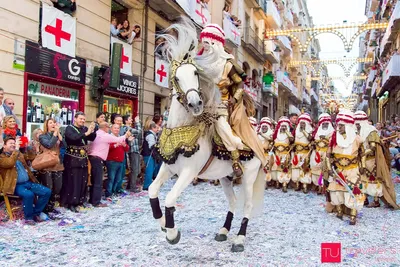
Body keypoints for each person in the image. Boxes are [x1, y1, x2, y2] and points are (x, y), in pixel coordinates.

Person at [195, 23, 267, 177]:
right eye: (203, 42)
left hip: (221, 104)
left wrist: (234, 99)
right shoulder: (198, 63)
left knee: (222, 127)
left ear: (216, 44)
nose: (205, 46)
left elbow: (239, 83)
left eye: (208, 43)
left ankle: (235, 158)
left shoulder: (227, 64)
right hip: (200, 104)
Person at [325, 110, 365, 225]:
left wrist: (362, 167)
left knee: (352, 192)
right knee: (336, 192)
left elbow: (362, 155)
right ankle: (339, 211)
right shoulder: (333, 138)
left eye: (342, 125)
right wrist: (329, 169)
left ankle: (353, 215)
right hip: (337, 171)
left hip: (352, 170)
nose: (339, 127)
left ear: (348, 126)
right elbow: (328, 156)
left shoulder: (357, 139)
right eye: (338, 125)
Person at [0, 137, 51, 225]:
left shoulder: (18, 154)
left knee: (46, 192)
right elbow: (10, 163)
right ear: (4, 146)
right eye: (10, 143)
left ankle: (36, 214)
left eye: (14, 143)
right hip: (15, 185)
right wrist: (16, 150)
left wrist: (30, 148)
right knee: (28, 194)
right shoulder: (2, 157)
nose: (13, 144)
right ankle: (29, 218)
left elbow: (31, 157)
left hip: (28, 182)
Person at [354, 111, 399, 209]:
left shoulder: (371, 131)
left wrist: (363, 153)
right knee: (361, 180)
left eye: (358, 124)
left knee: (373, 180)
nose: (356, 126)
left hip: (371, 160)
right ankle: (364, 199)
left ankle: (376, 201)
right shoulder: (357, 131)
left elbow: (373, 147)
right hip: (360, 160)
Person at [60, 112, 96, 212]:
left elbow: (92, 138)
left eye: (84, 119)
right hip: (72, 158)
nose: (83, 121)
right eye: (81, 119)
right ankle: (71, 202)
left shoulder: (84, 128)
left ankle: (80, 201)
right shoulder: (69, 128)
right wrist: (86, 133)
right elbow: (73, 138)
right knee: (73, 181)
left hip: (83, 158)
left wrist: (93, 130)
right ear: (75, 119)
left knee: (82, 180)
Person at [88, 122, 131, 205]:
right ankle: (96, 202)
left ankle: (93, 199)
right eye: (109, 127)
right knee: (98, 181)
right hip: (97, 158)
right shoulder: (104, 135)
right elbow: (117, 139)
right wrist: (126, 135)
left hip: (93, 158)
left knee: (95, 181)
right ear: (106, 128)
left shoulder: (97, 133)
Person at [38, 119, 64, 213]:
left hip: (57, 164)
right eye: (51, 123)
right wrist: (55, 133)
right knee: (48, 188)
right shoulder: (42, 136)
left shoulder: (57, 135)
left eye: (54, 122)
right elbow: (49, 145)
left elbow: (65, 145)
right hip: (47, 164)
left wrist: (59, 134)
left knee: (57, 187)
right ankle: (45, 209)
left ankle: (51, 207)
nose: (53, 124)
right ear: (46, 125)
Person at [310, 113, 334, 194]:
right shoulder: (317, 132)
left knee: (325, 171)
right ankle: (318, 185)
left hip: (327, 154)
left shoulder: (333, 133)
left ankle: (325, 187)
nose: (325, 125)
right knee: (316, 170)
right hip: (317, 153)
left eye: (327, 123)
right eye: (323, 123)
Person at [291, 113, 313, 193]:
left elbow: (310, 139)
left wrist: (304, 131)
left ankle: (305, 185)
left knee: (305, 169)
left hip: (305, 153)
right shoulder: (296, 130)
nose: (302, 124)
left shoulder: (310, 130)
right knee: (296, 168)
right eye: (301, 123)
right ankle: (297, 184)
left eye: (303, 123)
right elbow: (292, 139)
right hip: (297, 153)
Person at [271, 117, 294, 192]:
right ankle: (277, 182)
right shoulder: (276, 134)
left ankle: (284, 184)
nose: (283, 128)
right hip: (277, 154)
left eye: (285, 126)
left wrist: (287, 132)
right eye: (282, 126)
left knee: (285, 169)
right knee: (277, 168)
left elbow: (292, 140)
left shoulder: (289, 134)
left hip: (285, 155)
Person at [106, 124, 129, 197]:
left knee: (118, 178)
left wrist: (124, 145)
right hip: (112, 161)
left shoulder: (121, 137)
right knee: (111, 178)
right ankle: (108, 193)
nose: (116, 129)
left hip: (120, 161)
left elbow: (127, 149)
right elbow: (107, 148)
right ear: (111, 129)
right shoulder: (109, 137)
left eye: (118, 128)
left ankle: (114, 191)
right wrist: (115, 145)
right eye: (115, 128)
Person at [121, 115, 142, 192]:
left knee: (136, 169)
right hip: (132, 150)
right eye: (130, 119)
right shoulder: (126, 128)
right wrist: (138, 123)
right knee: (134, 169)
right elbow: (139, 132)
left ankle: (130, 185)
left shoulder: (129, 128)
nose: (132, 120)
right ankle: (132, 187)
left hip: (135, 150)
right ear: (126, 121)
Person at [142, 122, 160, 190]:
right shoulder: (150, 135)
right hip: (148, 155)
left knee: (151, 170)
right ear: (153, 128)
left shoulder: (153, 134)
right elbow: (152, 145)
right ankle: (147, 185)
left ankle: (149, 184)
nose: (158, 129)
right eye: (157, 128)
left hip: (150, 155)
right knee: (149, 170)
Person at [257, 117, 274, 188]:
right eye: (263, 126)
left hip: (268, 154)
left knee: (267, 168)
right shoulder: (257, 134)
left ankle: (266, 182)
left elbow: (270, 140)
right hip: (259, 154)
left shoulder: (271, 133)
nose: (264, 128)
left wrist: (262, 134)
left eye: (265, 127)